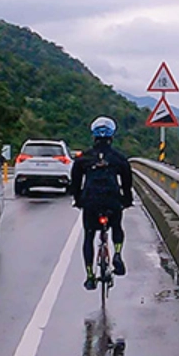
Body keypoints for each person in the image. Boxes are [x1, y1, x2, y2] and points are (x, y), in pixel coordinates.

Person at [70, 116, 134, 291]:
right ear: (112, 136)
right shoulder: (119, 158)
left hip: (90, 202)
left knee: (89, 236)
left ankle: (90, 276)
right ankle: (118, 254)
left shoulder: (83, 158)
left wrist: (78, 199)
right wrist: (126, 200)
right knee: (117, 227)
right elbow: (127, 183)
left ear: (93, 136)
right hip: (112, 201)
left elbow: (75, 183)